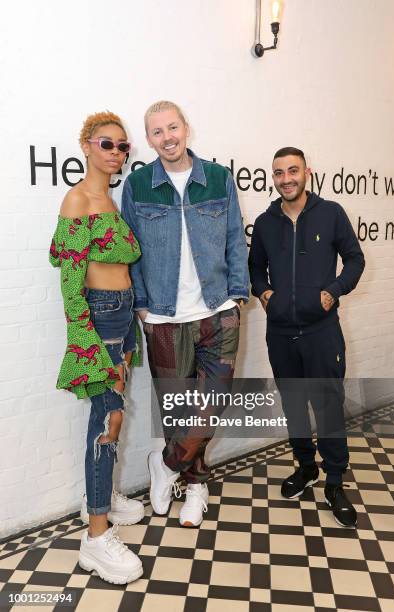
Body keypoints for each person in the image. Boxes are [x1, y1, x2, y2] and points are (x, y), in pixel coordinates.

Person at [122, 100, 249, 528]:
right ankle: (194, 485)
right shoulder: (138, 185)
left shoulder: (218, 178)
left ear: (186, 128)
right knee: (179, 409)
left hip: (218, 310)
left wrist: (237, 295)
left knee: (213, 400)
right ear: (149, 139)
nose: (167, 137)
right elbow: (132, 250)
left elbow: (235, 236)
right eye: (157, 132)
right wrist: (141, 304)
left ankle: (166, 463)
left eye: (172, 127)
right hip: (162, 316)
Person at [49, 112, 144, 584]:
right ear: (86, 145)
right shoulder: (77, 199)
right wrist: (84, 339)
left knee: (115, 411)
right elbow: (70, 281)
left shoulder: (111, 198)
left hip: (123, 317)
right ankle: (96, 536)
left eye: (122, 146)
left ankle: (99, 498)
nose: (115, 152)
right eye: (107, 143)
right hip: (100, 317)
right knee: (108, 418)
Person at [249, 147, 365, 528]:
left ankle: (334, 482)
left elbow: (355, 259)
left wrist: (332, 291)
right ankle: (305, 468)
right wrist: (266, 295)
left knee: (328, 407)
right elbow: (255, 269)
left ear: (307, 173)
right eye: (279, 172)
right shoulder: (266, 223)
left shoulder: (330, 214)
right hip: (281, 333)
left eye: (293, 171)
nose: (286, 179)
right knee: (294, 406)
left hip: (321, 331)